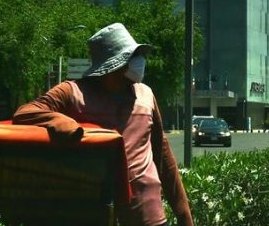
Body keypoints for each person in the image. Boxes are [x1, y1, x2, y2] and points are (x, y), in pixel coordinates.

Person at [13, 23, 194, 226]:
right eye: (127, 60)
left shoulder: (146, 94)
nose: (134, 66)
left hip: (147, 215)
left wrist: (184, 214)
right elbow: (26, 112)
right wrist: (63, 123)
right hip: (93, 212)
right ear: (110, 67)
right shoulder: (72, 92)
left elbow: (163, 156)